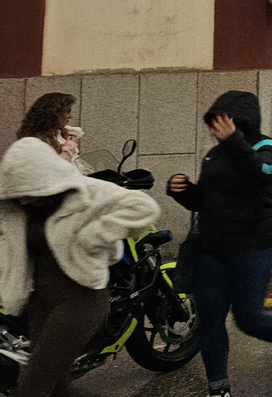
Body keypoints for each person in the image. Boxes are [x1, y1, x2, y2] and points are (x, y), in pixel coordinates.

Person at [1, 95, 160, 397]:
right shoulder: (16, 208)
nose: (22, 197)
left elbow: (143, 206)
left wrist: (94, 236)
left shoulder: (82, 192)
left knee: (34, 386)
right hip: (39, 304)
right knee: (58, 387)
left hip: (81, 300)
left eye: (27, 189)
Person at [168, 91, 272, 396]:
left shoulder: (266, 146)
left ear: (240, 121)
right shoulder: (214, 155)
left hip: (253, 246)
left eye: (221, 122)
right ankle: (218, 388)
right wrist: (183, 191)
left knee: (248, 318)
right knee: (210, 320)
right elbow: (207, 201)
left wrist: (234, 141)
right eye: (212, 123)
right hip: (212, 248)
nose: (215, 129)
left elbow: (261, 173)